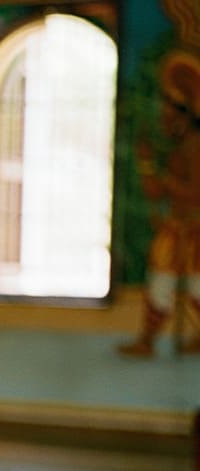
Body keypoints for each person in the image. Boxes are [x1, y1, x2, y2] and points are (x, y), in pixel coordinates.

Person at [120, 50, 200, 356]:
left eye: (170, 109)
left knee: (194, 287)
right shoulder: (179, 146)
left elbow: (192, 192)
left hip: (193, 229)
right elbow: (157, 192)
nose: (164, 115)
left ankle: (149, 341)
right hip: (177, 226)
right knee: (162, 281)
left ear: (183, 112)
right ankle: (148, 341)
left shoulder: (195, 146)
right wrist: (147, 164)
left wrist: (167, 182)